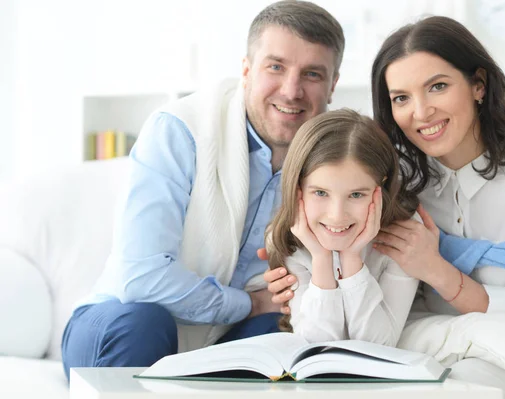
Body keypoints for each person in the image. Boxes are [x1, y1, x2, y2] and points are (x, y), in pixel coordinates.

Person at [60, 0, 344, 381]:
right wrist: (247, 303)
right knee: (144, 322)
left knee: (284, 338)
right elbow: (141, 277)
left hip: (231, 336)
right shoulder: (178, 130)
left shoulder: (336, 163)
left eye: (311, 74)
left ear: (332, 85)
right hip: (120, 317)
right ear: (246, 70)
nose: (291, 91)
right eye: (275, 67)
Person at [265, 15, 505, 317]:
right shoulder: (393, 178)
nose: (421, 112)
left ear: (479, 85)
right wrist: (292, 274)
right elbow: (326, 230)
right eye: (401, 98)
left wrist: (434, 268)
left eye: (438, 86)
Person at [266, 108, 418, 346]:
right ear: (298, 190)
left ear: (381, 188)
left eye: (356, 194)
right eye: (320, 193)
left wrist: (351, 259)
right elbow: (316, 346)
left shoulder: (404, 239)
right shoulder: (293, 237)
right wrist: (321, 259)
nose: (337, 216)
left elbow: (379, 346)